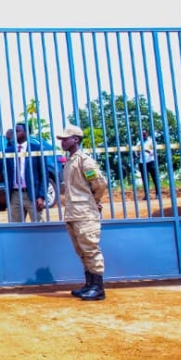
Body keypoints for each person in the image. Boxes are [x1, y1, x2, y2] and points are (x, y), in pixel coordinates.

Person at [57, 126, 108, 302]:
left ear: (76, 140)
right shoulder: (70, 161)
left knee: (91, 249)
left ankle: (98, 288)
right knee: (82, 251)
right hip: (73, 213)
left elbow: (99, 183)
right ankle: (89, 284)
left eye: (66, 139)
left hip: (85, 213)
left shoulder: (84, 161)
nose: (62, 142)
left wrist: (94, 201)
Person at [0, 123, 46, 223]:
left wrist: (41, 196)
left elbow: (44, 174)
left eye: (18, 131)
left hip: (32, 194)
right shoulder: (9, 150)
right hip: (15, 195)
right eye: (14, 131)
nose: (15, 133)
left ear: (26, 133)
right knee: (15, 227)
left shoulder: (36, 149)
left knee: (38, 226)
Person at [137, 130, 160, 200]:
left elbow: (153, 152)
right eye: (142, 134)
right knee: (145, 180)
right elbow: (137, 154)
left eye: (144, 134)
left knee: (155, 178)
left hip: (151, 161)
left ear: (147, 134)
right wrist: (138, 152)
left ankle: (158, 194)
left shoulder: (151, 142)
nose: (143, 135)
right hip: (142, 162)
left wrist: (146, 150)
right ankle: (147, 195)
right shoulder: (139, 143)